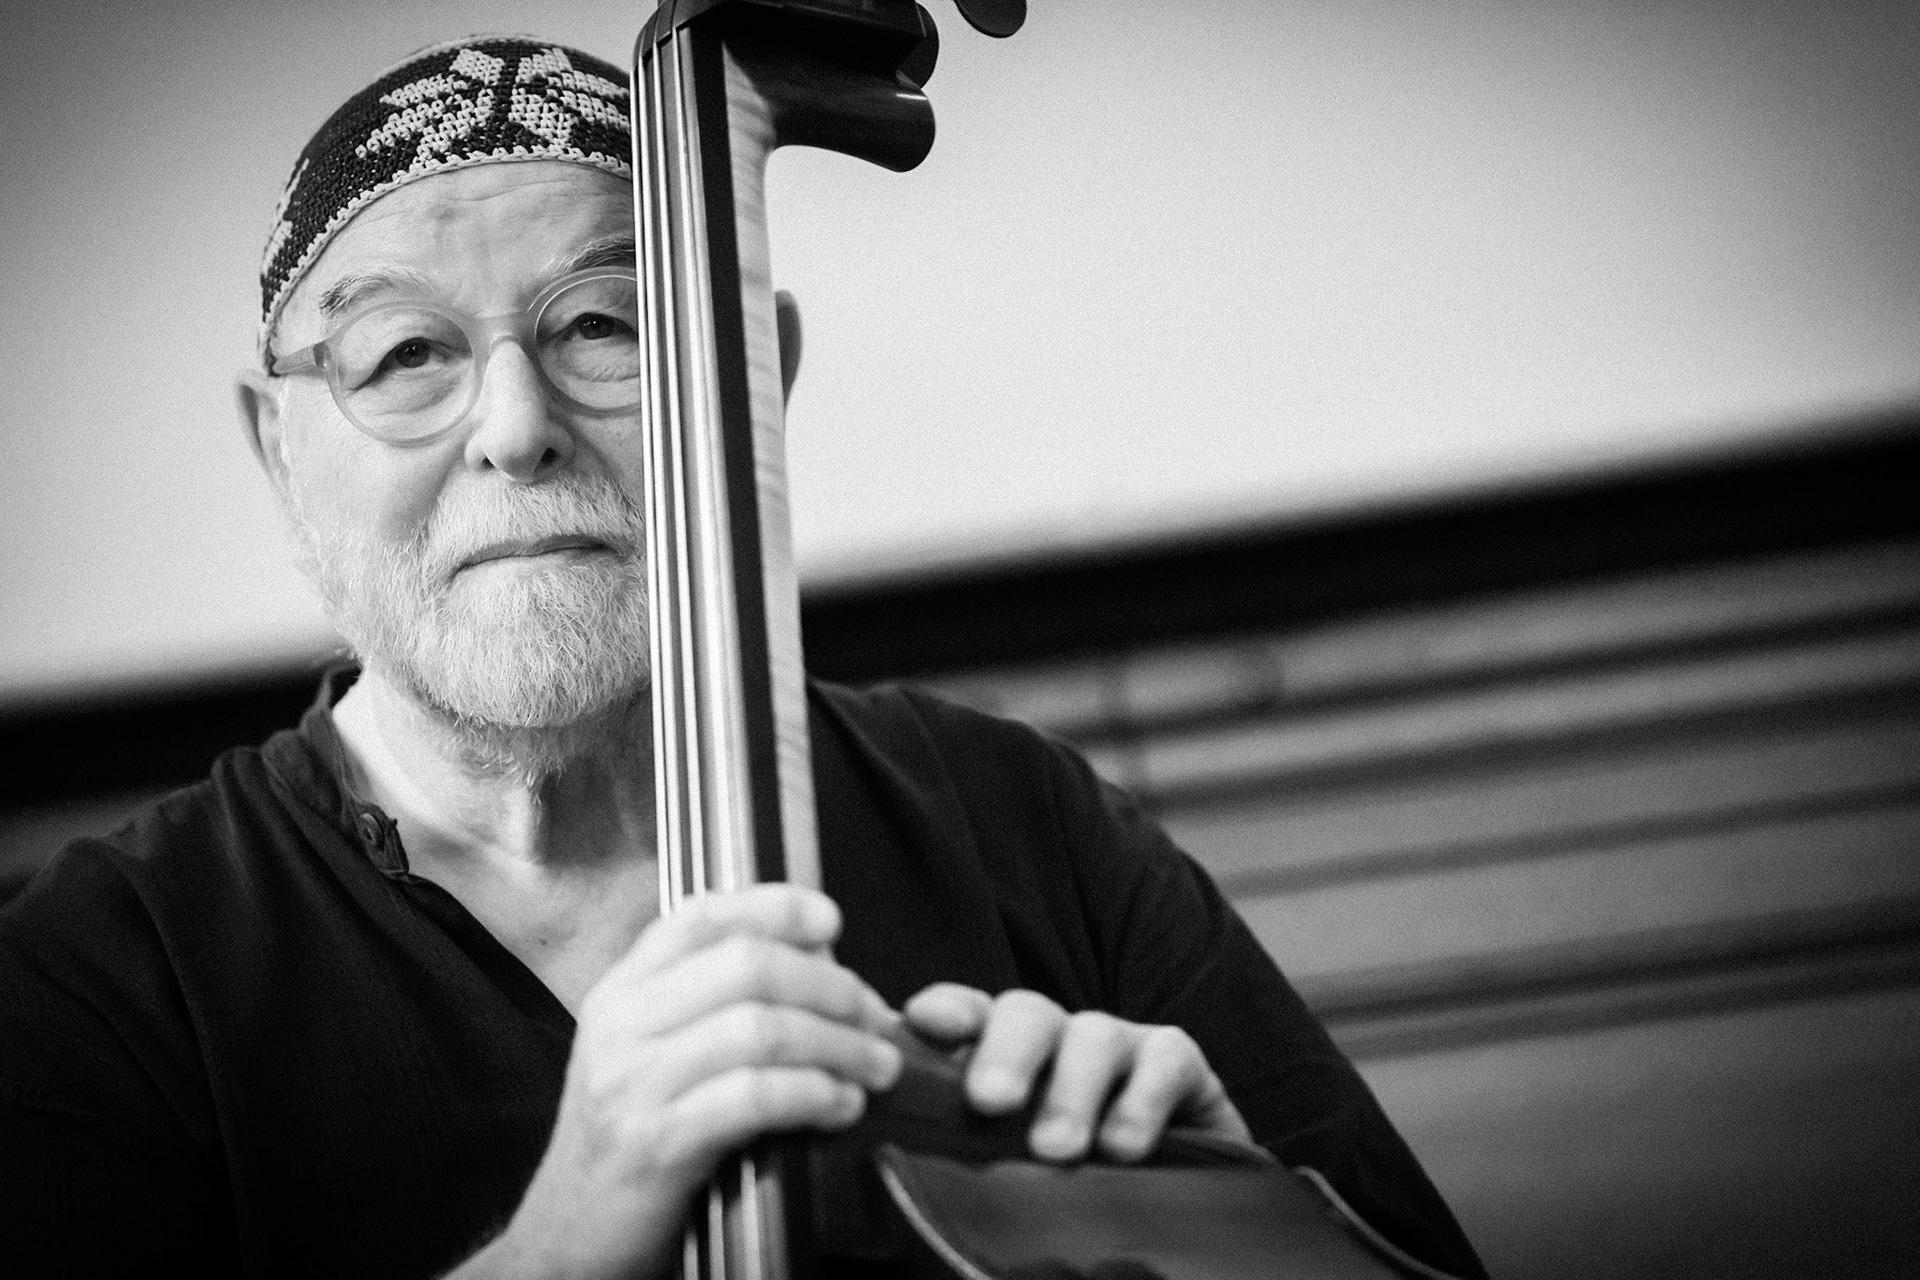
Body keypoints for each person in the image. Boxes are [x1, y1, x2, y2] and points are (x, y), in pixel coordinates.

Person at [0, 35, 1484, 1280]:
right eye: (405, 356)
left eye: (604, 325)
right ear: (280, 448)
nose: (515, 425)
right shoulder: (93, 981)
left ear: (751, 371)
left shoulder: (1023, 819)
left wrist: (1234, 1232)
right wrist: (567, 1243)